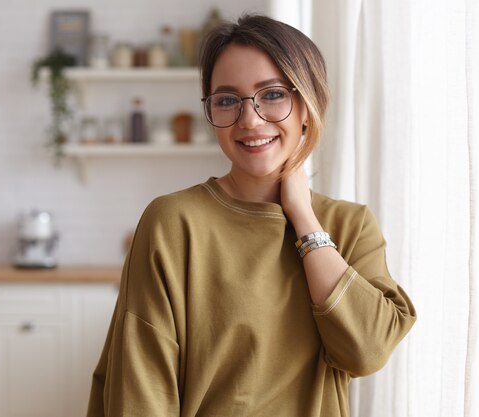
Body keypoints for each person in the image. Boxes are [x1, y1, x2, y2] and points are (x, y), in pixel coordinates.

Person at [87, 14, 416, 417]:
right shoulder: (173, 222)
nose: (249, 119)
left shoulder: (350, 225)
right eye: (227, 100)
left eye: (273, 94)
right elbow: (141, 388)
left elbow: (367, 351)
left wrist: (304, 218)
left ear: (307, 106)